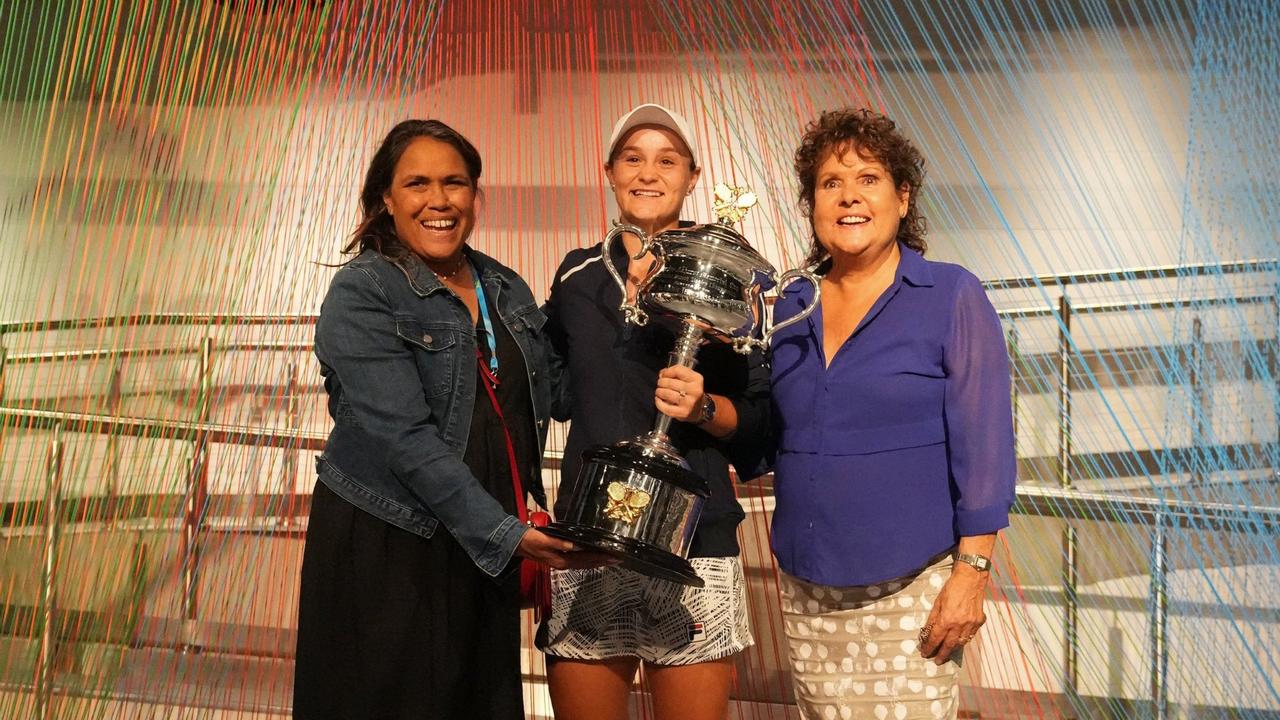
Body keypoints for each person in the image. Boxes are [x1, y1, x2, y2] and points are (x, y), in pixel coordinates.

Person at [293, 119, 608, 720]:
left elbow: (560, 393)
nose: (439, 201)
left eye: (454, 183)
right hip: (392, 545)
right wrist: (511, 536)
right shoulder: (364, 291)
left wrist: (623, 307)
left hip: (479, 539)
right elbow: (406, 442)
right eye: (417, 184)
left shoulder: (503, 285)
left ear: (474, 194)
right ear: (386, 198)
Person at [767, 108, 1016, 719]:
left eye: (869, 179)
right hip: (807, 586)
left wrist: (972, 572)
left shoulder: (953, 294)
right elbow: (776, 433)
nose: (849, 197)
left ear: (903, 198)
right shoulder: (790, 304)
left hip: (914, 586)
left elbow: (986, 445)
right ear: (812, 205)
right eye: (831, 183)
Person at [536, 104, 771, 720]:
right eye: (633, 159)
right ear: (608, 172)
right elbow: (552, 391)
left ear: (693, 177)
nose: (648, 173)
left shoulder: (728, 278)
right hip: (590, 537)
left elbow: (759, 418)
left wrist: (703, 408)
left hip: (694, 540)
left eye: (667, 160)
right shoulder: (577, 275)